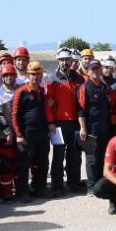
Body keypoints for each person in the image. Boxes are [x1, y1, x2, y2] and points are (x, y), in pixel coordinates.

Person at [46, 48, 85, 195]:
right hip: (58, 123)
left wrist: (82, 126)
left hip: (75, 123)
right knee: (58, 154)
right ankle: (57, 185)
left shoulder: (79, 79)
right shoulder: (52, 79)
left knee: (75, 154)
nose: (64, 63)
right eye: (62, 60)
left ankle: (74, 182)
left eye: (67, 60)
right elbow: (48, 104)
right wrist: (50, 122)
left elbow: (81, 104)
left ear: (71, 61)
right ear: (58, 61)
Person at [12, 61, 50, 202]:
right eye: (33, 74)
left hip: (42, 132)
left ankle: (40, 188)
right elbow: (15, 114)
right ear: (28, 75)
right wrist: (19, 135)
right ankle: (22, 192)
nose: (36, 77)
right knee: (24, 164)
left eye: (38, 74)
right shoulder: (21, 92)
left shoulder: (41, 91)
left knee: (42, 162)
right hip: (27, 133)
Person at [78, 59, 113, 189]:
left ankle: (99, 184)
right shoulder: (84, 87)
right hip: (90, 128)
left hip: (104, 128)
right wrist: (83, 128)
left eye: (97, 69)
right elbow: (81, 110)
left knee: (103, 156)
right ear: (88, 71)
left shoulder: (104, 87)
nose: (95, 71)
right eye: (92, 69)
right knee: (91, 158)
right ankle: (91, 186)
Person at [0, 64, 19, 202]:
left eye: (11, 75)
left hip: (19, 134)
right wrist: (8, 133)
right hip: (4, 136)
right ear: (2, 77)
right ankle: (6, 194)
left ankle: (19, 191)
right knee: (5, 165)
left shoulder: (20, 90)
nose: (9, 77)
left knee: (18, 164)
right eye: (6, 75)